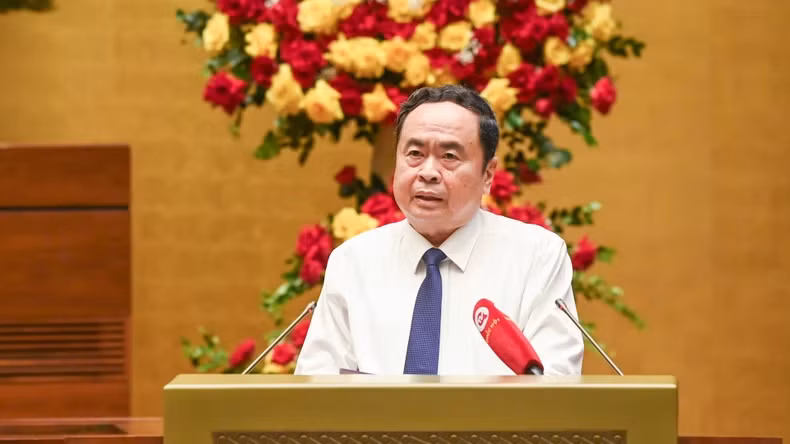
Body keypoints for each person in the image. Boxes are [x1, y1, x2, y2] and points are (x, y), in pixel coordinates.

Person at [294, 85, 583, 375]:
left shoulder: (537, 258)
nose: (428, 172)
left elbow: (555, 386)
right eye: (415, 153)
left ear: (488, 174)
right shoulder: (353, 261)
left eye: (449, 157)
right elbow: (317, 390)